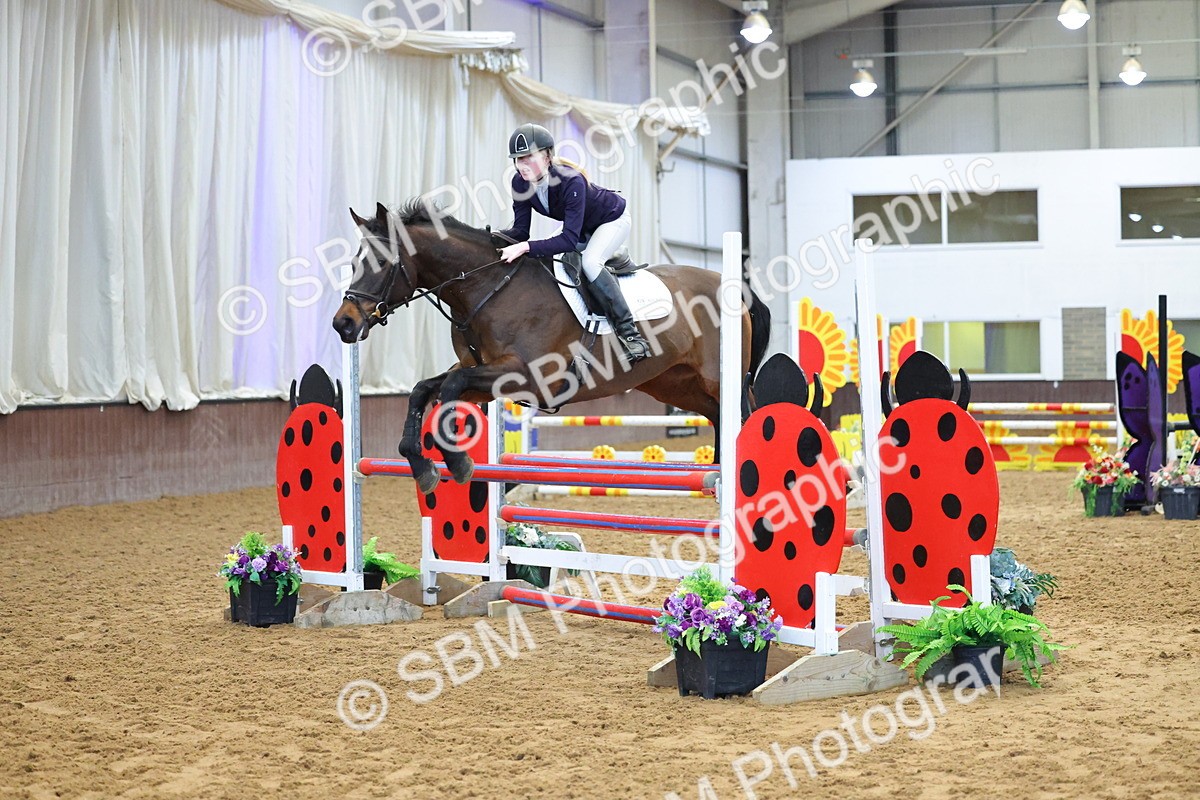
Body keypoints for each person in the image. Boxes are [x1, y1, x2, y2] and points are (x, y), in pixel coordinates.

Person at [497, 123, 652, 363]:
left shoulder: (571, 181)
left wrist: (525, 248)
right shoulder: (520, 184)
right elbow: (520, 231)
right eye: (517, 159)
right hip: (580, 228)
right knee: (553, 262)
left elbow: (568, 240)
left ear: (547, 156)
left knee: (590, 263)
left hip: (612, 219)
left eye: (528, 157)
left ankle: (631, 337)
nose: (522, 165)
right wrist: (492, 240)